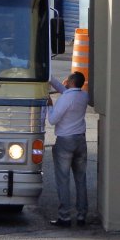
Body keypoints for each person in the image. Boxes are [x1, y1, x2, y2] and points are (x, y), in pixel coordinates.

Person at [47, 71, 89, 228]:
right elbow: (62, 88)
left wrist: (50, 107)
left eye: (67, 78)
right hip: (80, 140)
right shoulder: (83, 96)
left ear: (71, 82)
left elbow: (52, 120)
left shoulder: (66, 98)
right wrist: (49, 78)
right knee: (80, 179)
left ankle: (64, 216)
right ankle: (81, 215)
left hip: (65, 141)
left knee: (63, 179)